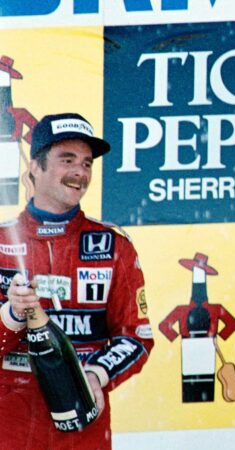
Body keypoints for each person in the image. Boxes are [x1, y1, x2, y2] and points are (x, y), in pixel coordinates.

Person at [0, 112, 154, 449]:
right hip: (10, 422)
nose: (79, 173)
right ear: (34, 168)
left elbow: (137, 337)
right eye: (66, 160)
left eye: (86, 164)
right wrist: (10, 316)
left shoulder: (114, 246)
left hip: (84, 421)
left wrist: (95, 375)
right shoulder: (1, 243)